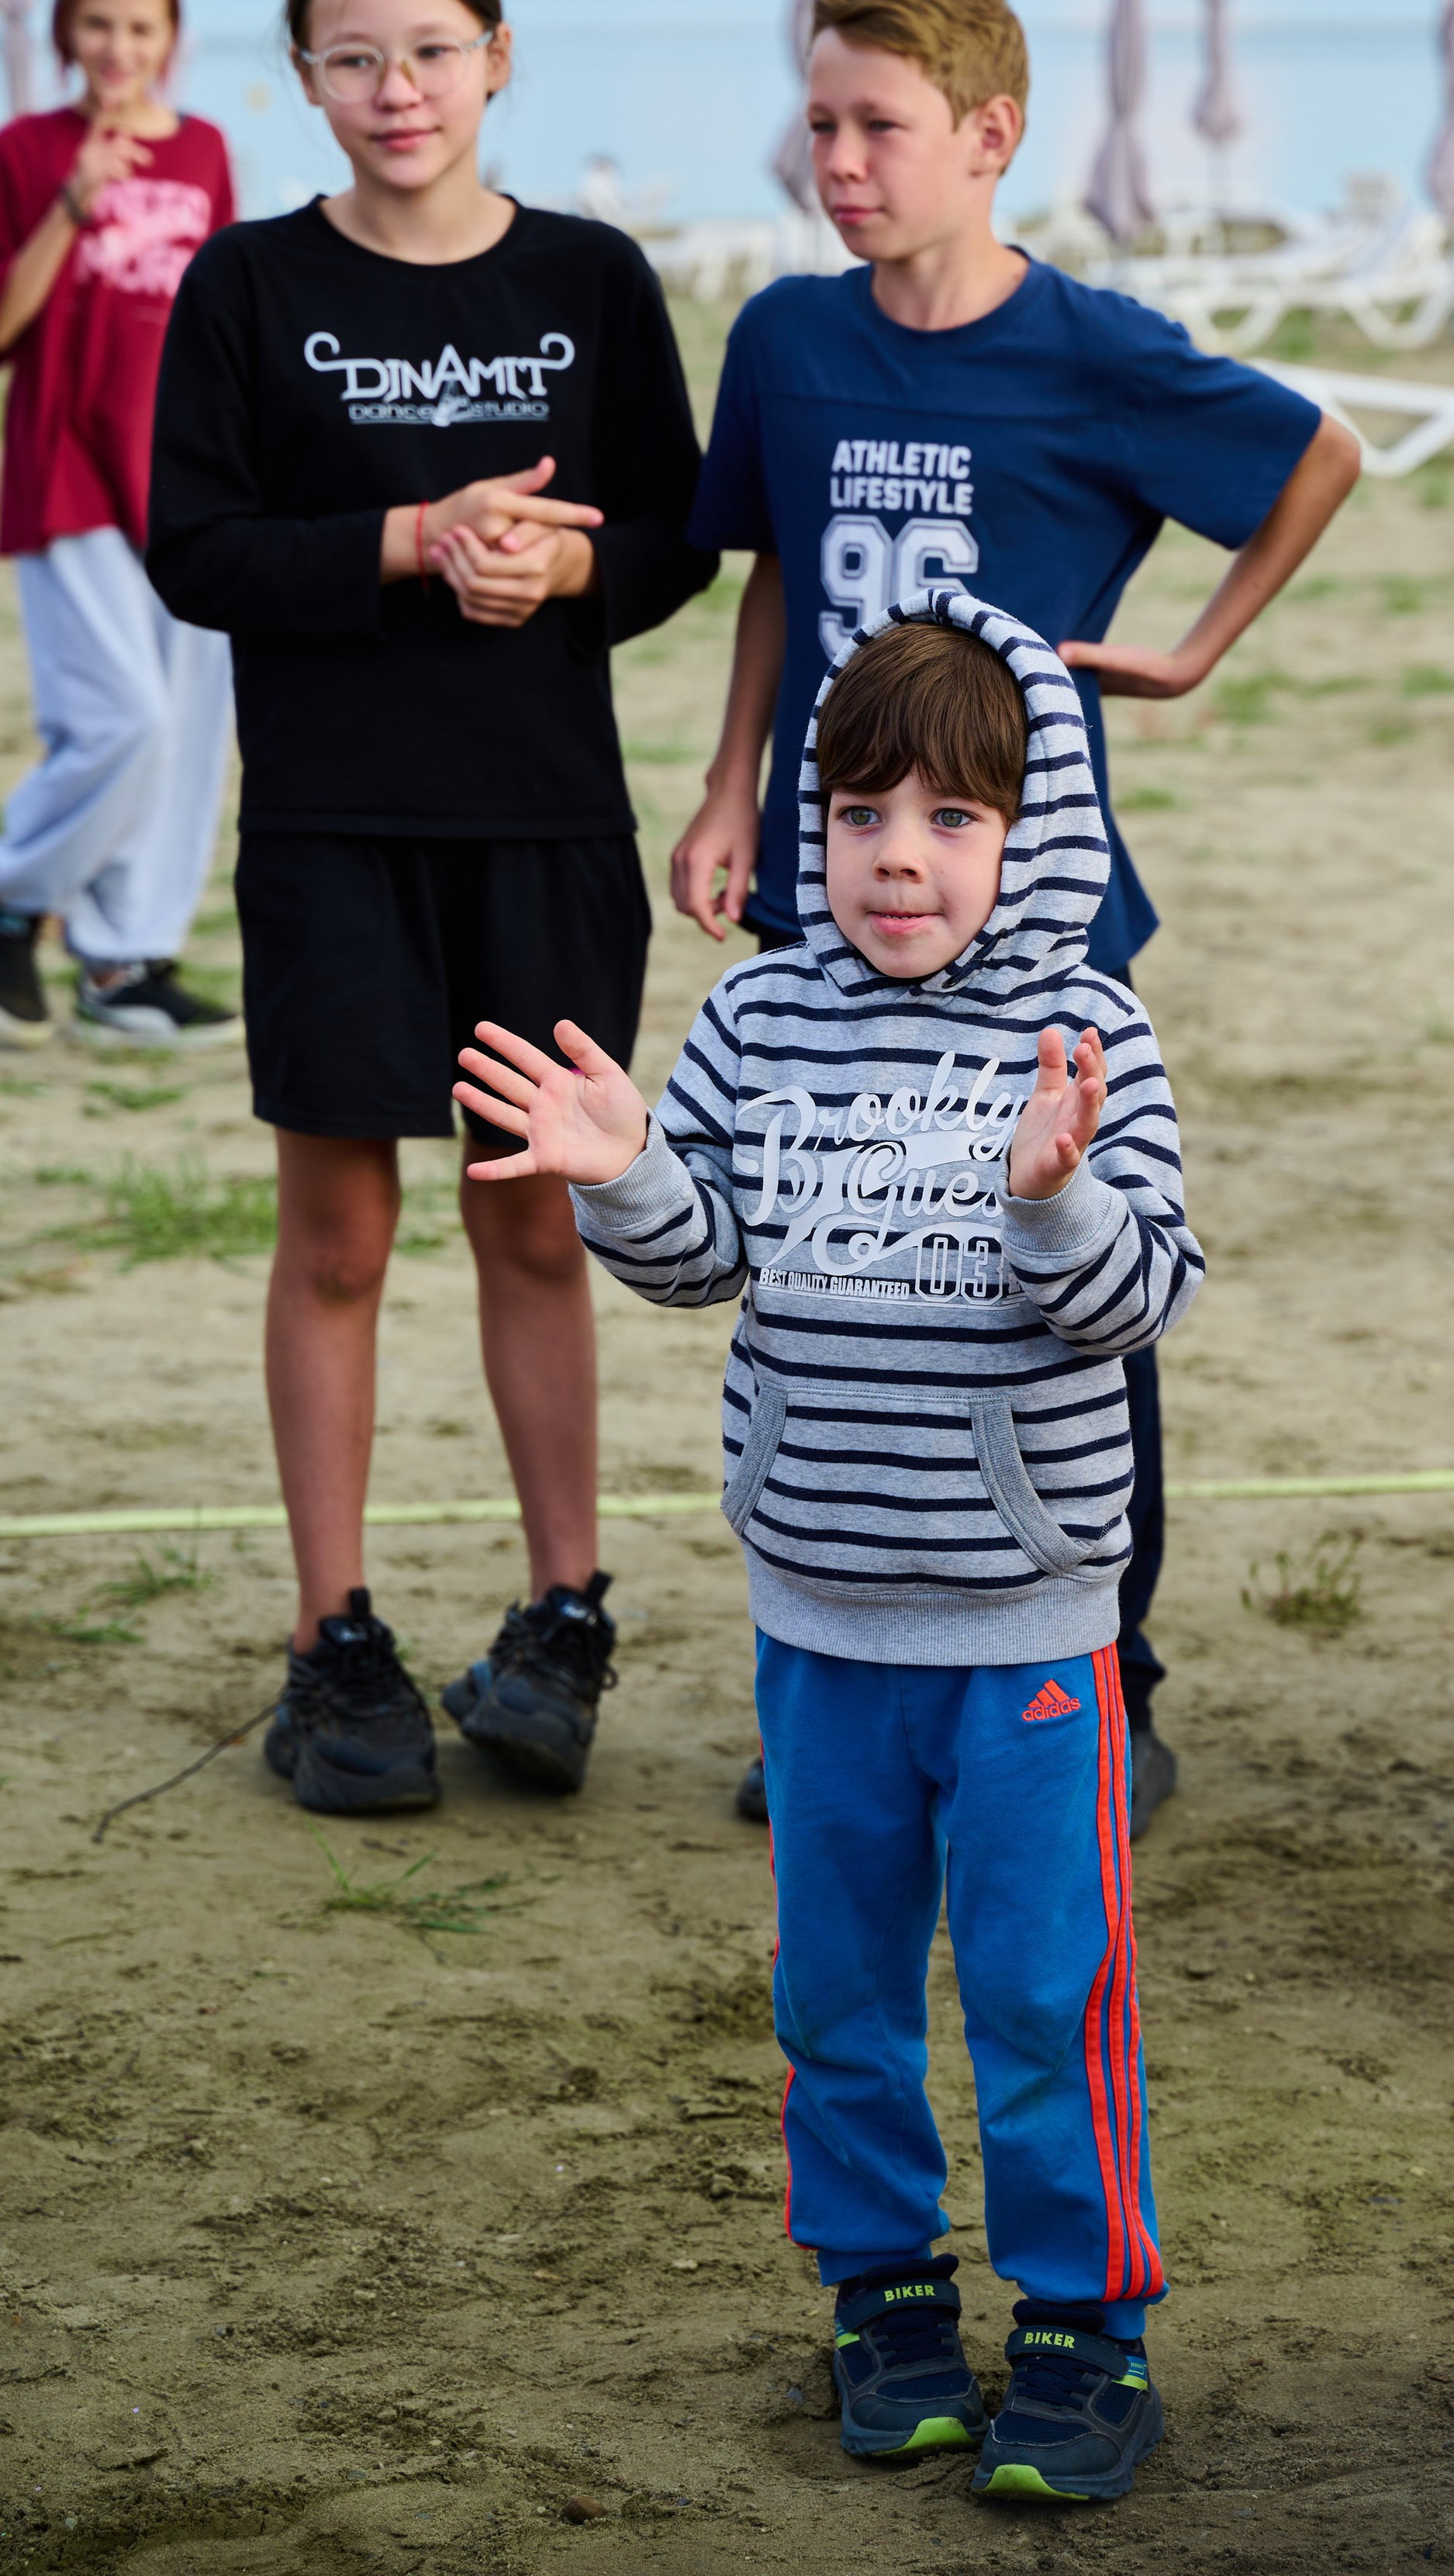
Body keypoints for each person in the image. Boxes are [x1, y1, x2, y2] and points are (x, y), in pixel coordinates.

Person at [456, 593, 1200, 2506]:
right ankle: (881, 2294)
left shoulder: (1088, 1028)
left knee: (1041, 1991)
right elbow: (700, 1254)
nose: (897, 856)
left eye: (950, 817)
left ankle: (1081, 2324)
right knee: (837, 1993)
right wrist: (626, 1169)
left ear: (1031, 833)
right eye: (859, 810)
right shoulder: (759, 1013)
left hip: (1026, 1627)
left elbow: (1144, 1295)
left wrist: (1051, 1204)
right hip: (817, 1620)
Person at [669, 0, 1358, 1833]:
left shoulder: (1091, 351)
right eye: (818, 121)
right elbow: (774, 573)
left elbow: (1320, 453)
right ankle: (860, 1650)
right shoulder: (786, 341)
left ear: (990, 135)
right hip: (837, 896)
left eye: (877, 126)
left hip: (1032, 921)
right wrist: (731, 784)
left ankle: (1105, 1669)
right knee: (838, 1256)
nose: (837, 159)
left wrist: (1194, 650)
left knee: (1054, 1267)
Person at [146, 0, 713, 1814]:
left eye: (431, 50)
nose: (397, 88)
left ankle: (562, 1616)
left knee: (532, 1217)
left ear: (496, 58)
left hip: (544, 824)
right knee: (339, 1239)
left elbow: (672, 534)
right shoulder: (246, 283)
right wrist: (411, 538)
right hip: (330, 830)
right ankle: (335, 1639)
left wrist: (558, 567)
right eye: (354, 56)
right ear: (305, 78)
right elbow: (194, 548)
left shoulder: (590, 276)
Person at [0, 0, 239, 1047]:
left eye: (141, 27)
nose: (118, 47)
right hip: (66, 470)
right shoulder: (28, 149)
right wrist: (71, 203)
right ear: (65, 34)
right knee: (120, 719)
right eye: (97, 24)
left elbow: (225, 319)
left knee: (187, 728)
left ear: (170, 39)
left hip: (187, 478)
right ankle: (15, 893)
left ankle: (123, 961)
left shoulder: (204, 149)